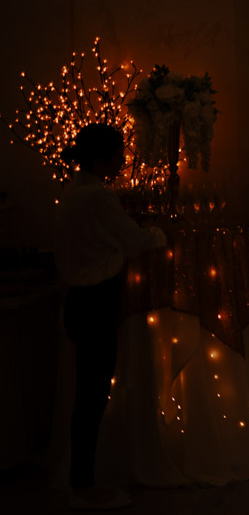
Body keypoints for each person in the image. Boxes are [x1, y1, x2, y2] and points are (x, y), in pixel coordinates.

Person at [54, 123, 167, 510]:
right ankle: (83, 486)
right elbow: (134, 241)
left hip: (79, 301)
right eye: (119, 155)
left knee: (88, 394)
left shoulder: (75, 191)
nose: (122, 162)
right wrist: (161, 232)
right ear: (102, 159)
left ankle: (81, 481)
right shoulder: (97, 196)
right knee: (92, 397)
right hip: (94, 302)